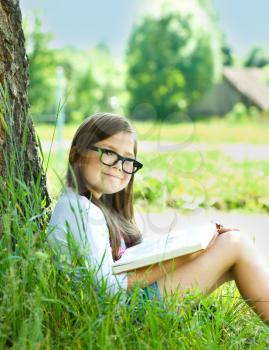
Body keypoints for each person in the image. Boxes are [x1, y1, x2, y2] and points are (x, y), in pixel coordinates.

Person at [47, 112, 269, 325]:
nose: (118, 165)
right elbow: (108, 290)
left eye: (127, 159)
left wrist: (187, 250)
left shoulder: (92, 207)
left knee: (229, 249)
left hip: (126, 308)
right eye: (108, 153)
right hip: (121, 317)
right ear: (76, 155)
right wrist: (184, 257)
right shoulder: (79, 209)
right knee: (234, 243)